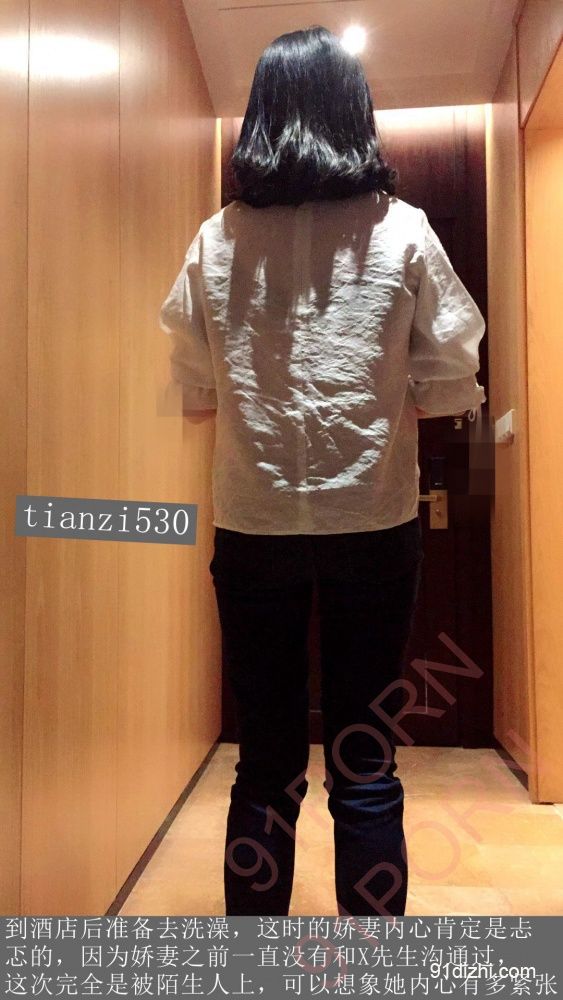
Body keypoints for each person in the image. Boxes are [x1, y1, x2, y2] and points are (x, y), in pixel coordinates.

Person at [158, 25, 486, 917]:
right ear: (354, 111)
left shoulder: (216, 241)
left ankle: (256, 969)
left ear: (260, 116)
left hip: (253, 525)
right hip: (373, 525)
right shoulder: (404, 232)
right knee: (366, 762)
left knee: (263, 764)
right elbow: (448, 386)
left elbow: (195, 398)